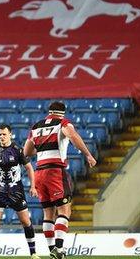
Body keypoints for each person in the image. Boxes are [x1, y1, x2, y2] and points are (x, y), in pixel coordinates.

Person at [23, 101, 97, 259]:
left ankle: (52, 250)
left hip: (39, 173)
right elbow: (73, 136)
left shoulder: (36, 127)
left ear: (49, 112)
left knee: (48, 213)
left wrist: (43, 149)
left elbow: (27, 151)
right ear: (62, 113)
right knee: (64, 210)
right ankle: (59, 248)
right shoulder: (63, 122)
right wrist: (88, 154)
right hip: (55, 171)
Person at [0, 124, 40, 259]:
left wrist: (33, 186)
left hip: (16, 191)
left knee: (25, 221)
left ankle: (33, 253)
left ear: (10, 135)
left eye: (4, 134)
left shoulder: (18, 151)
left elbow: (30, 168)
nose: (1, 136)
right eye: (0, 134)